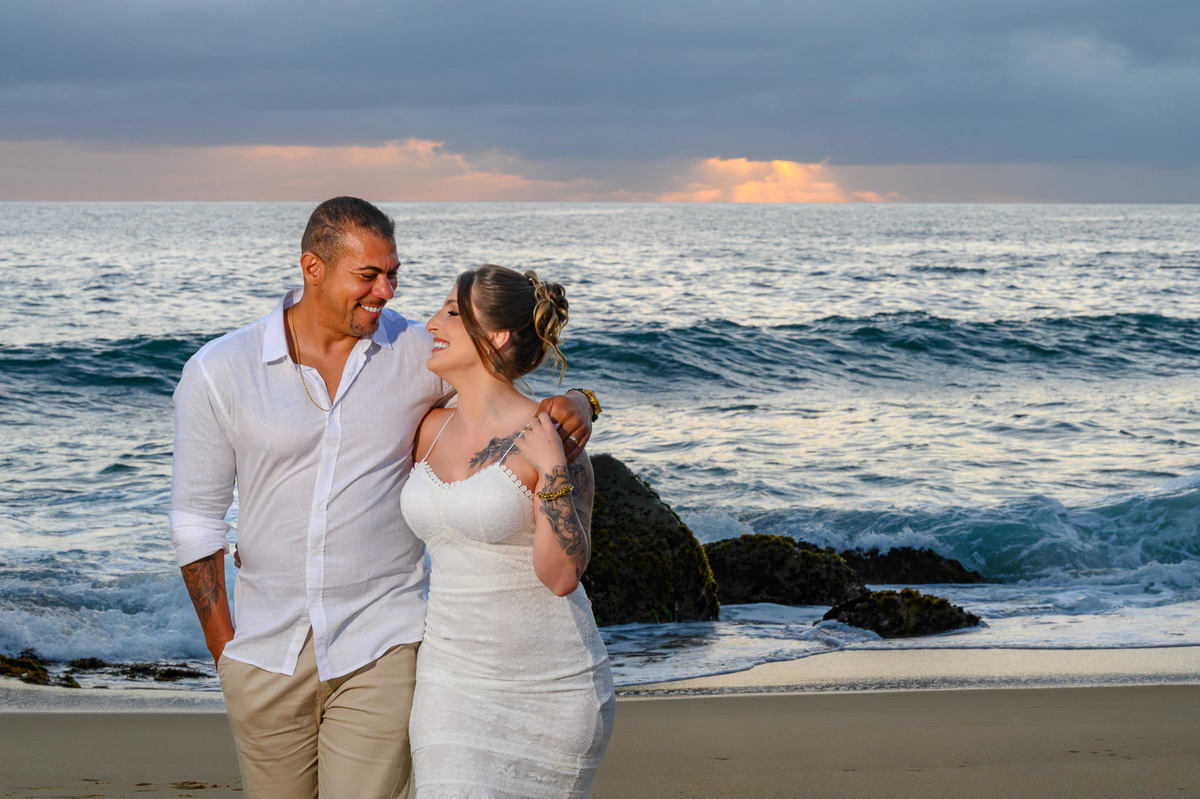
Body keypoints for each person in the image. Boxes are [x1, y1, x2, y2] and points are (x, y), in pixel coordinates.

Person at [169, 197, 596, 799]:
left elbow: (497, 384)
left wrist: (579, 401)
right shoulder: (220, 371)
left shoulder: (414, 355)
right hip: (265, 653)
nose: (387, 291)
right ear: (312, 268)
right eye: (368, 275)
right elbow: (196, 521)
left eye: (393, 273)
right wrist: (226, 656)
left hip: (383, 642)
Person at [400, 264, 615, 797]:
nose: (432, 322)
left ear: (494, 336)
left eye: (451, 312)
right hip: (448, 680)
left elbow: (562, 575)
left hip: (551, 685)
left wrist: (554, 472)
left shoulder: (552, 442)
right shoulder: (427, 426)